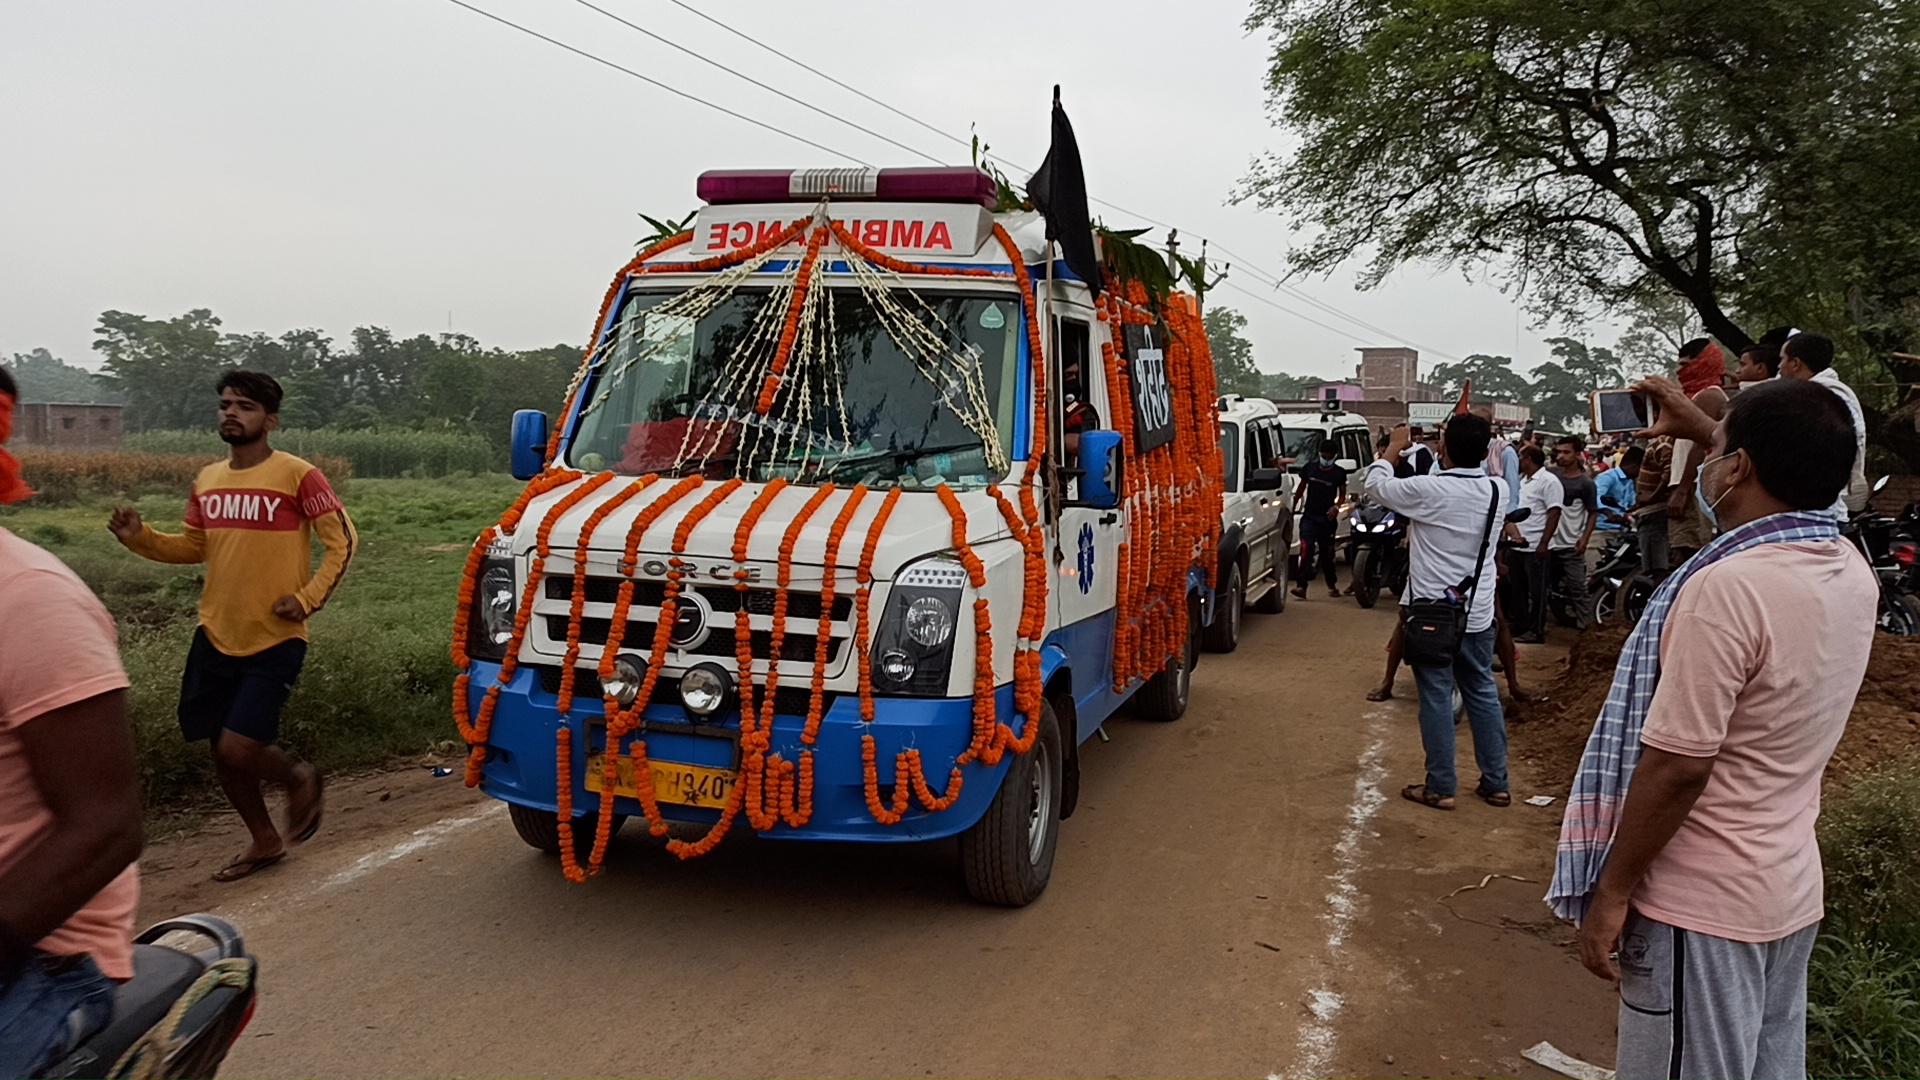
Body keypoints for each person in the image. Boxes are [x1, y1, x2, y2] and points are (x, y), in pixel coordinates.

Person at [1551, 377, 1875, 1079]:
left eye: (1717, 449)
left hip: (1699, 907)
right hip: (1785, 892)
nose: (1705, 461)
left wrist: (1611, 893)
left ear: (1741, 469)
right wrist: (1706, 424)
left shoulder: (1727, 588)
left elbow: (1678, 765)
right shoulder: (1848, 569)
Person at [110, 371, 355, 882]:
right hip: (216, 634)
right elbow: (195, 547)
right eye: (225, 404)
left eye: (244, 406)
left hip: (276, 637)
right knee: (222, 751)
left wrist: (307, 599)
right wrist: (142, 538)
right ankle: (264, 840)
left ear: (270, 420)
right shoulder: (208, 479)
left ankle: (298, 777)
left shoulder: (297, 475)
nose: (230, 413)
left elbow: (343, 541)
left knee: (239, 747)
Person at [0, 367, 145, 1079]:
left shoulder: (31, 603)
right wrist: (145, 538)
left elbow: (107, 823)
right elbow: (195, 544)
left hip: (38, 955)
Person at [1365, 415, 1509, 811]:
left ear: (1444, 448)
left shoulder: (1428, 489)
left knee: (1435, 695)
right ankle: (1496, 783)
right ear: (1485, 452)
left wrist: (1394, 449)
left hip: (1431, 613)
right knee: (1482, 692)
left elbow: (1375, 484)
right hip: (1477, 612)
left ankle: (1442, 785)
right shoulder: (1499, 491)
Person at [1778, 332, 1869, 516]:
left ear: (1795, 363)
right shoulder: (1822, 394)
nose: (1779, 367)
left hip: (1821, 511)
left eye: (1782, 360)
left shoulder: (1820, 397)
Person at [1506, 444, 1563, 644]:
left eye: (1520, 458)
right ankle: (1521, 624)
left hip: (1536, 546)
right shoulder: (1522, 481)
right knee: (1517, 589)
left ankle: (1536, 630)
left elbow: (1554, 512)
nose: (1518, 462)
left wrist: (1544, 543)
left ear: (1529, 458)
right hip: (1518, 544)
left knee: (1537, 591)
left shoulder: (1548, 481)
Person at [1547, 436, 1599, 627]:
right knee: (1547, 586)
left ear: (1578, 455)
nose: (1561, 456)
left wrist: (1585, 539)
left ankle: (1587, 627)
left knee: (1578, 587)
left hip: (1570, 543)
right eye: (1559, 452)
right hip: (1549, 542)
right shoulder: (1551, 476)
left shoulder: (1585, 483)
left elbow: (1593, 513)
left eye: (1566, 452)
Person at [1291, 438, 1347, 599]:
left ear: (1335, 457)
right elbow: (1301, 488)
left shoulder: (1339, 473)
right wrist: (1294, 505)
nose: (1326, 460)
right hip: (1309, 517)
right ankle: (1301, 586)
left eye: (1330, 457)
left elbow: (1342, 495)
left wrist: (1336, 507)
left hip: (1327, 521)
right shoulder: (1310, 469)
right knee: (1306, 549)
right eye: (1324, 456)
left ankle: (1332, 584)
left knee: (1327, 554)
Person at [1595, 446, 1642, 541]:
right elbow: (1595, 498)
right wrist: (1609, 514)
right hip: (1602, 531)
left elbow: (1629, 505)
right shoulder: (1607, 477)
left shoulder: (1630, 482)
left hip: (1623, 531)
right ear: (1635, 465)